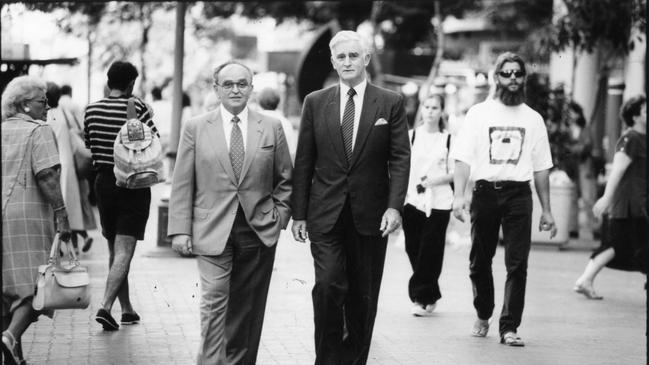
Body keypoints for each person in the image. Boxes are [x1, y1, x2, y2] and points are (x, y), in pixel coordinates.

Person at [291, 30, 410, 364]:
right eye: (340, 57)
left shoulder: (390, 102)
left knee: (362, 296)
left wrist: (394, 207)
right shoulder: (315, 102)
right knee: (328, 287)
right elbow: (304, 161)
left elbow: (400, 158)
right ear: (333, 61)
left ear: (366, 59)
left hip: (371, 217)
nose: (347, 62)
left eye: (353, 56)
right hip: (325, 214)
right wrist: (298, 214)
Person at [168, 61, 292, 365]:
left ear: (251, 88)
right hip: (212, 230)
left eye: (242, 83)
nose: (235, 89)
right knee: (213, 304)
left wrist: (279, 218)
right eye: (228, 84)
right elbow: (183, 181)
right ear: (217, 89)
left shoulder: (271, 127)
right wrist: (180, 229)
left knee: (245, 309)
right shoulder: (196, 127)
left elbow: (286, 179)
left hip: (257, 230)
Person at [450, 52, 557, 347]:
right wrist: (459, 196)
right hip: (485, 192)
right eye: (506, 73)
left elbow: (541, 168)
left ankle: (509, 326)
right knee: (479, 261)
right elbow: (462, 158)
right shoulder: (479, 114)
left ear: (524, 78)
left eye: (517, 74)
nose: (512, 79)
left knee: (518, 263)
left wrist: (547, 211)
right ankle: (483, 312)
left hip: (519, 195)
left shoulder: (533, 119)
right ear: (496, 77)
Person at [2, 76, 72, 365]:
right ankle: (10, 337)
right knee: (37, 286)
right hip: (26, 216)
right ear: (25, 105)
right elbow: (47, 175)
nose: (48, 107)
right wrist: (61, 213)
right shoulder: (39, 130)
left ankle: (13, 357)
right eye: (43, 101)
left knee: (6, 290)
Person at [84, 61, 159, 331]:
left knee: (114, 249)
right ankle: (105, 306)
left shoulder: (90, 110)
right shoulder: (137, 108)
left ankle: (126, 310)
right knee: (125, 250)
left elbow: (89, 145)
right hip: (132, 184)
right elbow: (153, 141)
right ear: (130, 84)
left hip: (103, 183)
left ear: (108, 80)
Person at [574, 94, 647, 299]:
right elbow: (618, 169)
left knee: (621, 245)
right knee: (617, 245)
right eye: (645, 110)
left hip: (640, 202)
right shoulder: (630, 138)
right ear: (635, 116)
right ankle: (584, 280)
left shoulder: (642, 138)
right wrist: (606, 198)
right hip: (630, 204)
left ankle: (585, 280)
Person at [403, 93, 453, 317]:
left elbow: (456, 172)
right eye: (427, 106)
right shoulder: (411, 136)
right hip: (413, 200)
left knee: (430, 250)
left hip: (439, 201)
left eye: (435, 107)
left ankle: (420, 298)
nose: (431, 111)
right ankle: (431, 293)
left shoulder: (449, 139)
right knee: (413, 247)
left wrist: (437, 180)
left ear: (441, 111)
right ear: (422, 109)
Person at [46, 82, 95, 256]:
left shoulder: (44, 117)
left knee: (55, 211)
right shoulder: (65, 114)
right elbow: (78, 140)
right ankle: (73, 247)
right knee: (71, 210)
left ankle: (61, 247)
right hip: (68, 170)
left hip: (51, 170)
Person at [565, 101, 597, 239]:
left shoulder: (585, 128)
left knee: (588, 197)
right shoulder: (566, 129)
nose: (571, 115)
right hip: (571, 166)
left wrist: (574, 149)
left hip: (584, 164)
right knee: (572, 197)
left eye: (573, 112)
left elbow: (588, 145)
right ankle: (573, 229)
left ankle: (595, 228)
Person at [257, 87, 297, 161]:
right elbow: (292, 152)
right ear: (278, 102)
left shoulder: (253, 121)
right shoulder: (286, 123)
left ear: (259, 102)